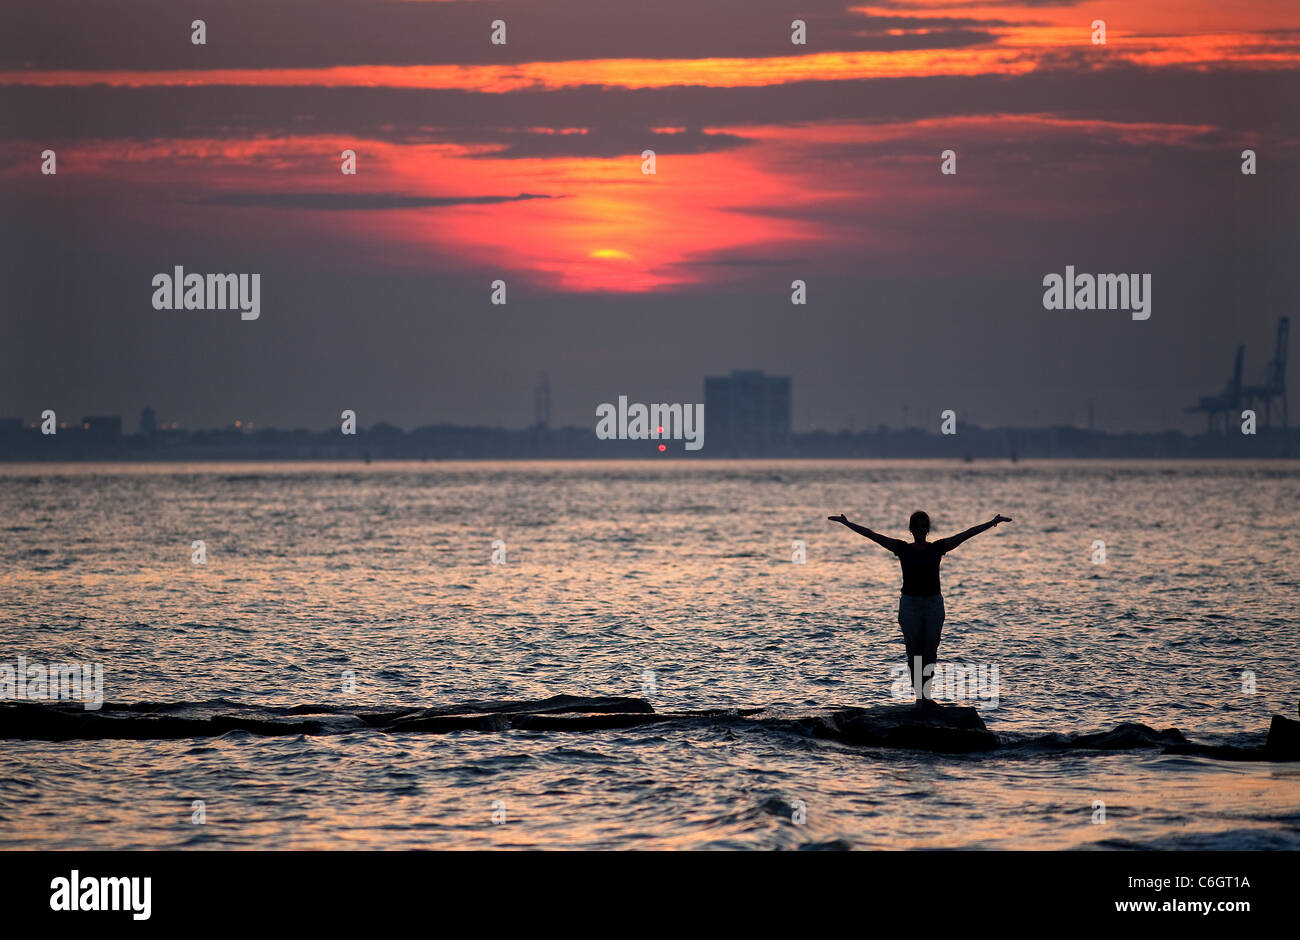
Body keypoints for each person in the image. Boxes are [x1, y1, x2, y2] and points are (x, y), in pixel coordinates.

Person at [828, 510, 1012, 707]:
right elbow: (873, 535)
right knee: (914, 651)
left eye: (924, 526)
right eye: (917, 526)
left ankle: (926, 696)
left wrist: (992, 522)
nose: (920, 529)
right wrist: (847, 523)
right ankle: (920, 698)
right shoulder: (902, 548)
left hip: (933, 604)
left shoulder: (938, 548)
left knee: (930, 652)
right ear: (911, 529)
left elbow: (965, 535)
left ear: (928, 529)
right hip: (910, 605)